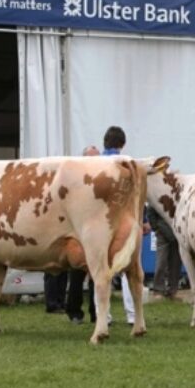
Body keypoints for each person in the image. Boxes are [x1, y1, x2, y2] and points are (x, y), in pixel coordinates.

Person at [101, 125, 149, 325]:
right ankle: (132, 316)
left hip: (99, 223)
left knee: (99, 271)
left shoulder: (93, 164)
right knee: (129, 270)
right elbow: (137, 196)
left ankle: (105, 316)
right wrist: (143, 220)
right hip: (124, 222)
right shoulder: (129, 164)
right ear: (122, 144)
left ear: (105, 142)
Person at [65, 145, 101, 324]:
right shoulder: (76, 181)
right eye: (91, 158)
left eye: (97, 158)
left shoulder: (103, 181)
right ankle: (74, 311)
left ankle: (96, 313)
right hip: (77, 233)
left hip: (96, 233)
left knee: (97, 273)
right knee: (77, 273)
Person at [149, 205, 181, 301]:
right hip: (162, 232)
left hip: (177, 233)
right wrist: (156, 228)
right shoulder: (160, 192)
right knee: (161, 262)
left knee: (176, 264)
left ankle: (173, 291)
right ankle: (158, 290)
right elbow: (151, 210)